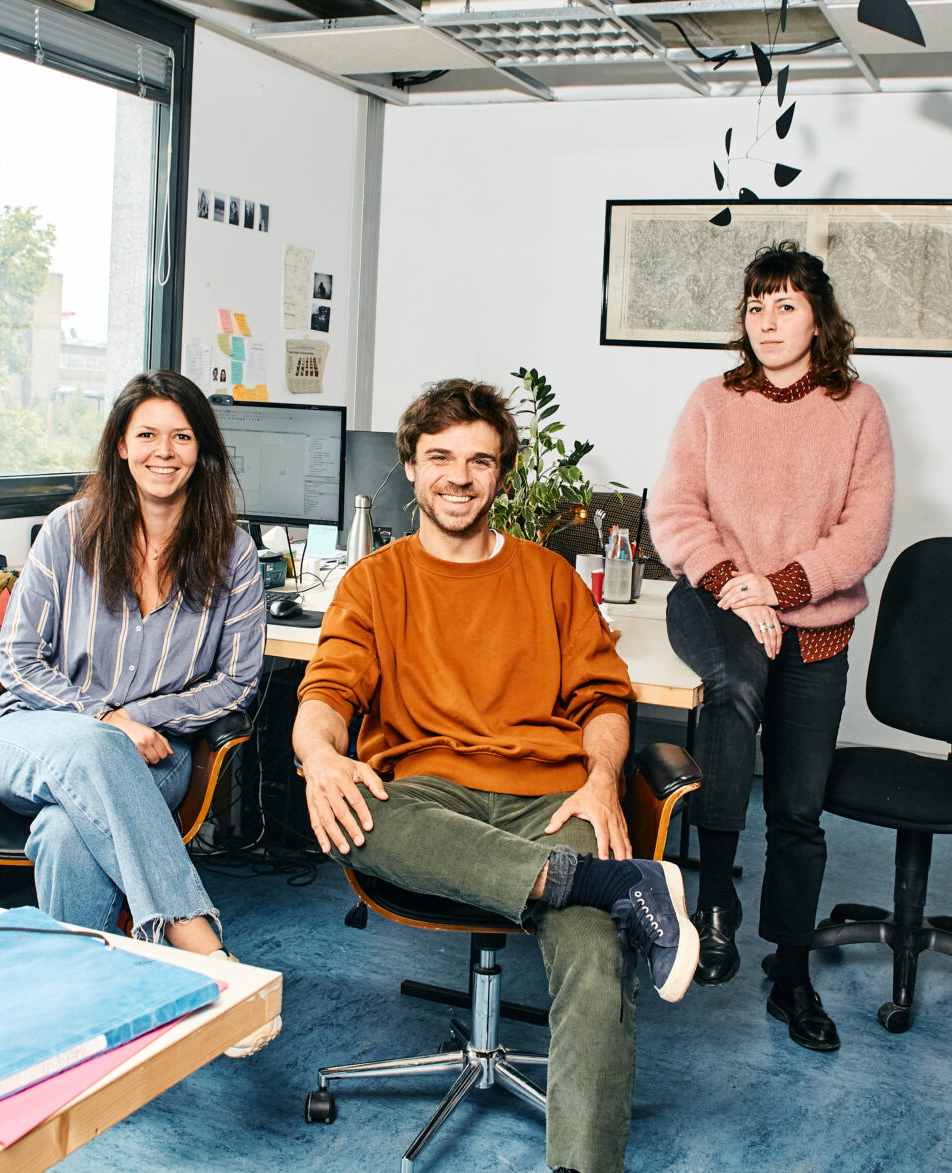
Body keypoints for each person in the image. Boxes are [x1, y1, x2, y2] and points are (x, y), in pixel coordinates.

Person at [293, 378, 698, 1173]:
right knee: (358, 815)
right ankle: (611, 881)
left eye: (479, 459)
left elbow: (604, 698)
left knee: (590, 942)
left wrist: (603, 777)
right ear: (409, 466)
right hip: (428, 798)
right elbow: (325, 694)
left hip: (551, 795)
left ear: (501, 475)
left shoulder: (548, 577)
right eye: (440, 456)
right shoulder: (375, 581)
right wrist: (320, 757)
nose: (458, 475)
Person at [0, 369, 278, 1051]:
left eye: (181, 435)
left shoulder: (232, 554)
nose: (163, 450)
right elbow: (18, 663)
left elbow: (237, 683)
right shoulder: (67, 532)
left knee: (63, 835)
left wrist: (142, 713)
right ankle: (198, 943)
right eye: (147, 433)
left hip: (158, 753)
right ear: (120, 444)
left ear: (201, 449)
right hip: (32, 735)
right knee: (97, 746)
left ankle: (79, 1017)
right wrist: (108, 716)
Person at [648, 242, 895, 1052]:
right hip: (716, 599)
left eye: (787, 304)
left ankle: (790, 974)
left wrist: (780, 588)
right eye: (758, 304)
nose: (769, 319)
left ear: (818, 318)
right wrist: (733, 583)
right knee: (735, 691)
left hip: (814, 627)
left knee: (798, 810)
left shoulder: (857, 407)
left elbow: (864, 529)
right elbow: (677, 509)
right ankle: (714, 900)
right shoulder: (713, 400)